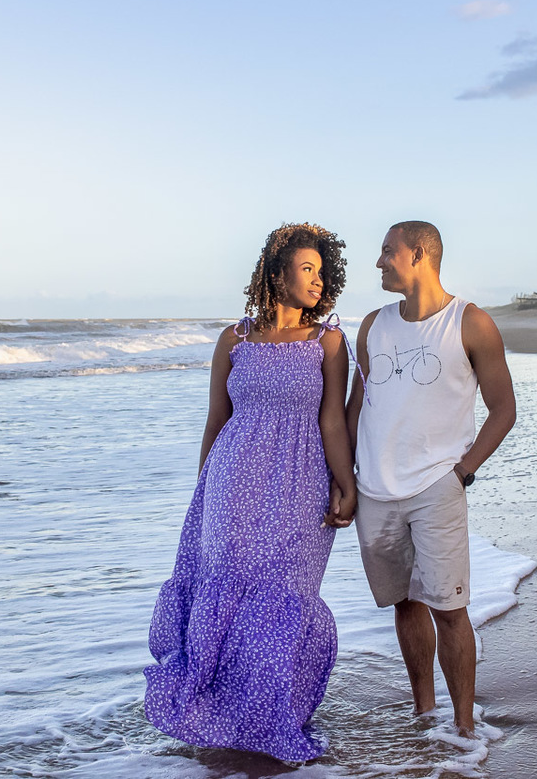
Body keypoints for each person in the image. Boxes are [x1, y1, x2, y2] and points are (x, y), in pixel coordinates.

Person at [145, 223, 358, 762]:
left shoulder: (328, 341)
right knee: (227, 590)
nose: (317, 279)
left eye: (321, 270)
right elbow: (217, 421)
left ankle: (274, 713)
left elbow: (332, 421)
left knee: (283, 596)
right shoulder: (233, 339)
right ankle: (219, 715)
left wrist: (345, 484)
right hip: (230, 486)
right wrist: (201, 494)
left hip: (299, 485)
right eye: (306, 268)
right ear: (276, 271)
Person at [325, 220, 516, 739]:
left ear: (420, 255)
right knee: (404, 604)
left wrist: (462, 473)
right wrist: (343, 482)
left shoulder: (470, 322)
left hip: (438, 486)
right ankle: (425, 716)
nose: (380, 262)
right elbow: (354, 408)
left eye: (388, 252)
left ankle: (463, 730)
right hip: (374, 491)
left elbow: (504, 409)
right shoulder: (372, 325)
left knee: (450, 609)